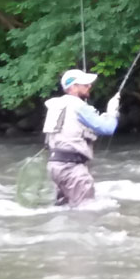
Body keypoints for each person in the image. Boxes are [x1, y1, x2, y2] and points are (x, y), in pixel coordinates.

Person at [42, 69, 120, 207]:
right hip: (72, 169)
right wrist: (112, 112)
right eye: (84, 84)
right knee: (86, 213)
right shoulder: (79, 106)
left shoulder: (56, 105)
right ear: (72, 87)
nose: (89, 86)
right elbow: (108, 129)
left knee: (64, 210)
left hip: (55, 167)